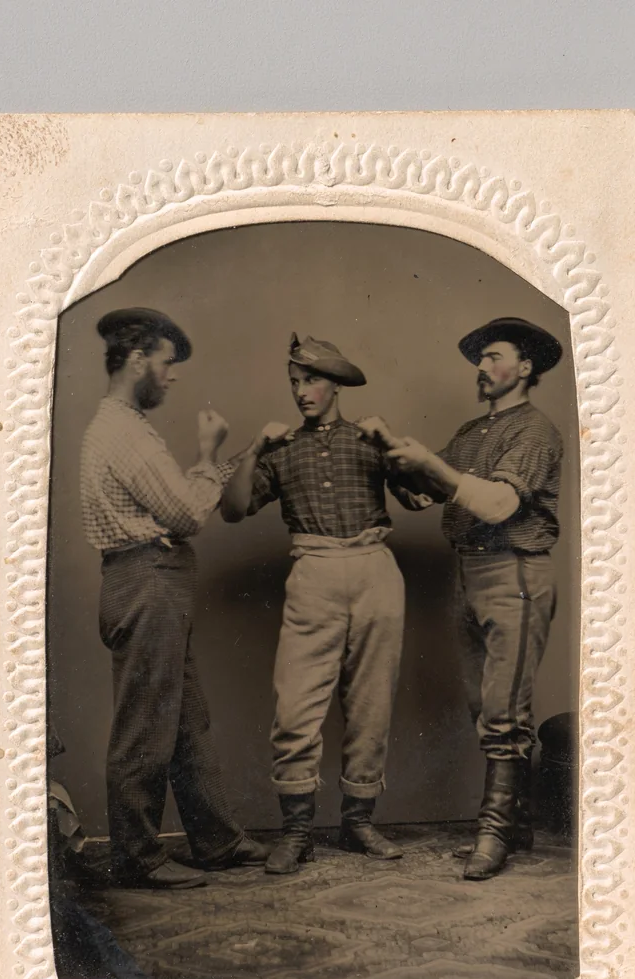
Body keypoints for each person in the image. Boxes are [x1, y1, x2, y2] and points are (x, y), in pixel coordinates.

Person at [359, 317, 564, 881]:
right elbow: (422, 495)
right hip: (467, 573)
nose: (482, 367)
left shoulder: (536, 431)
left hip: (514, 572)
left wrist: (432, 466)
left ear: (525, 367)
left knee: (503, 710)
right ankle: (516, 823)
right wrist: (388, 453)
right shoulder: (473, 433)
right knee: (484, 706)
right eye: (480, 359)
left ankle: (493, 831)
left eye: (494, 356)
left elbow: (498, 505)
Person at [221, 334, 430, 875]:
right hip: (312, 573)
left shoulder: (368, 441)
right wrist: (253, 450)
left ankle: (358, 822)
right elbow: (234, 509)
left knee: (370, 703)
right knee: (296, 707)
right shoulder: (282, 448)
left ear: (335, 385)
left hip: (374, 570)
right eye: (294, 382)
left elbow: (425, 494)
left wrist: (389, 443)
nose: (301, 392)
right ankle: (295, 831)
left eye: (311, 380)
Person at [79, 307, 267, 889]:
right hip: (148, 582)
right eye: (166, 363)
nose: (173, 375)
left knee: (185, 720)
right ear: (138, 360)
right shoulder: (123, 432)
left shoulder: (124, 427)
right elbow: (186, 512)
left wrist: (235, 457)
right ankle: (136, 857)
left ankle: (216, 840)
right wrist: (211, 454)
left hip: (154, 582)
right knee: (148, 723)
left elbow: (173, 500)